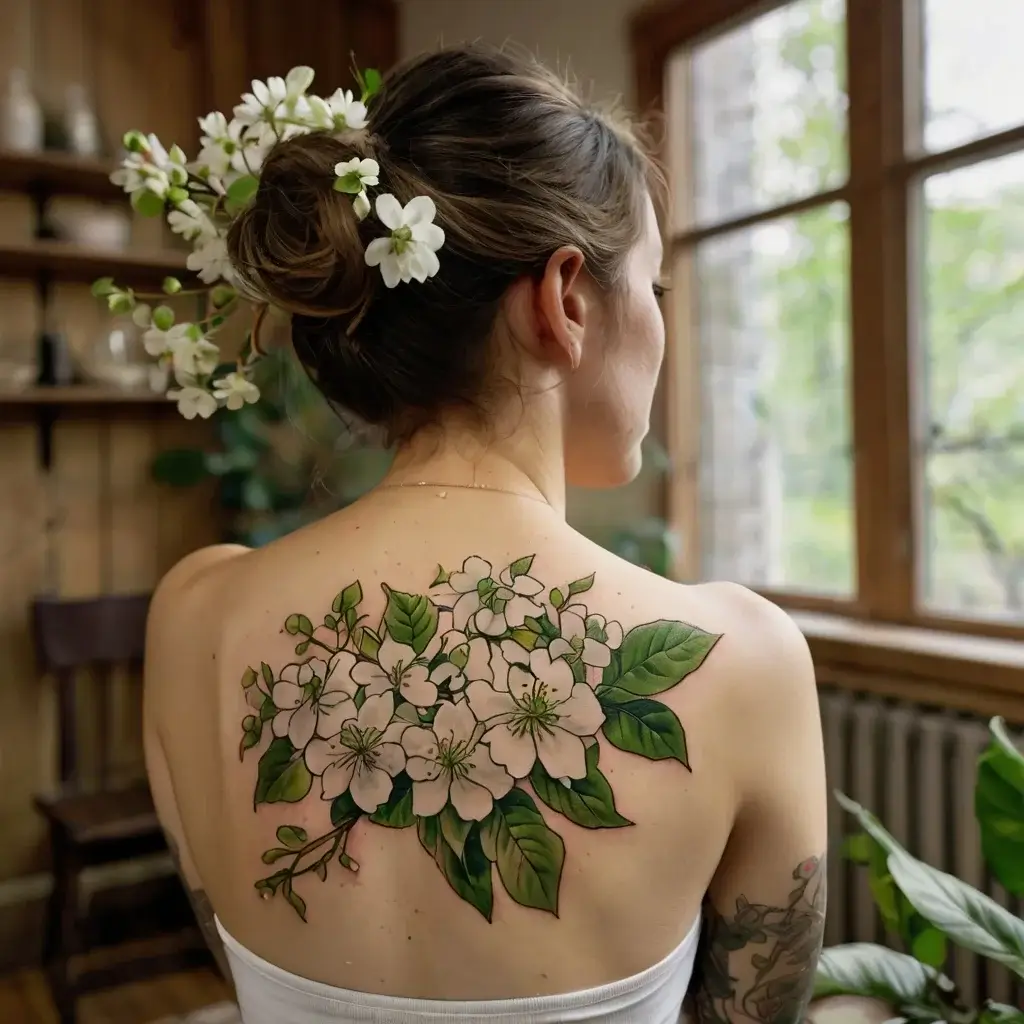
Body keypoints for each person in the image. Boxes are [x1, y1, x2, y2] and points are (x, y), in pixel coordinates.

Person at [143, 42, 827, 1024]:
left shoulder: (194, 615)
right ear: (565, 300)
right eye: (656, 288)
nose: (663, 328)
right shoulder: (746, 663)